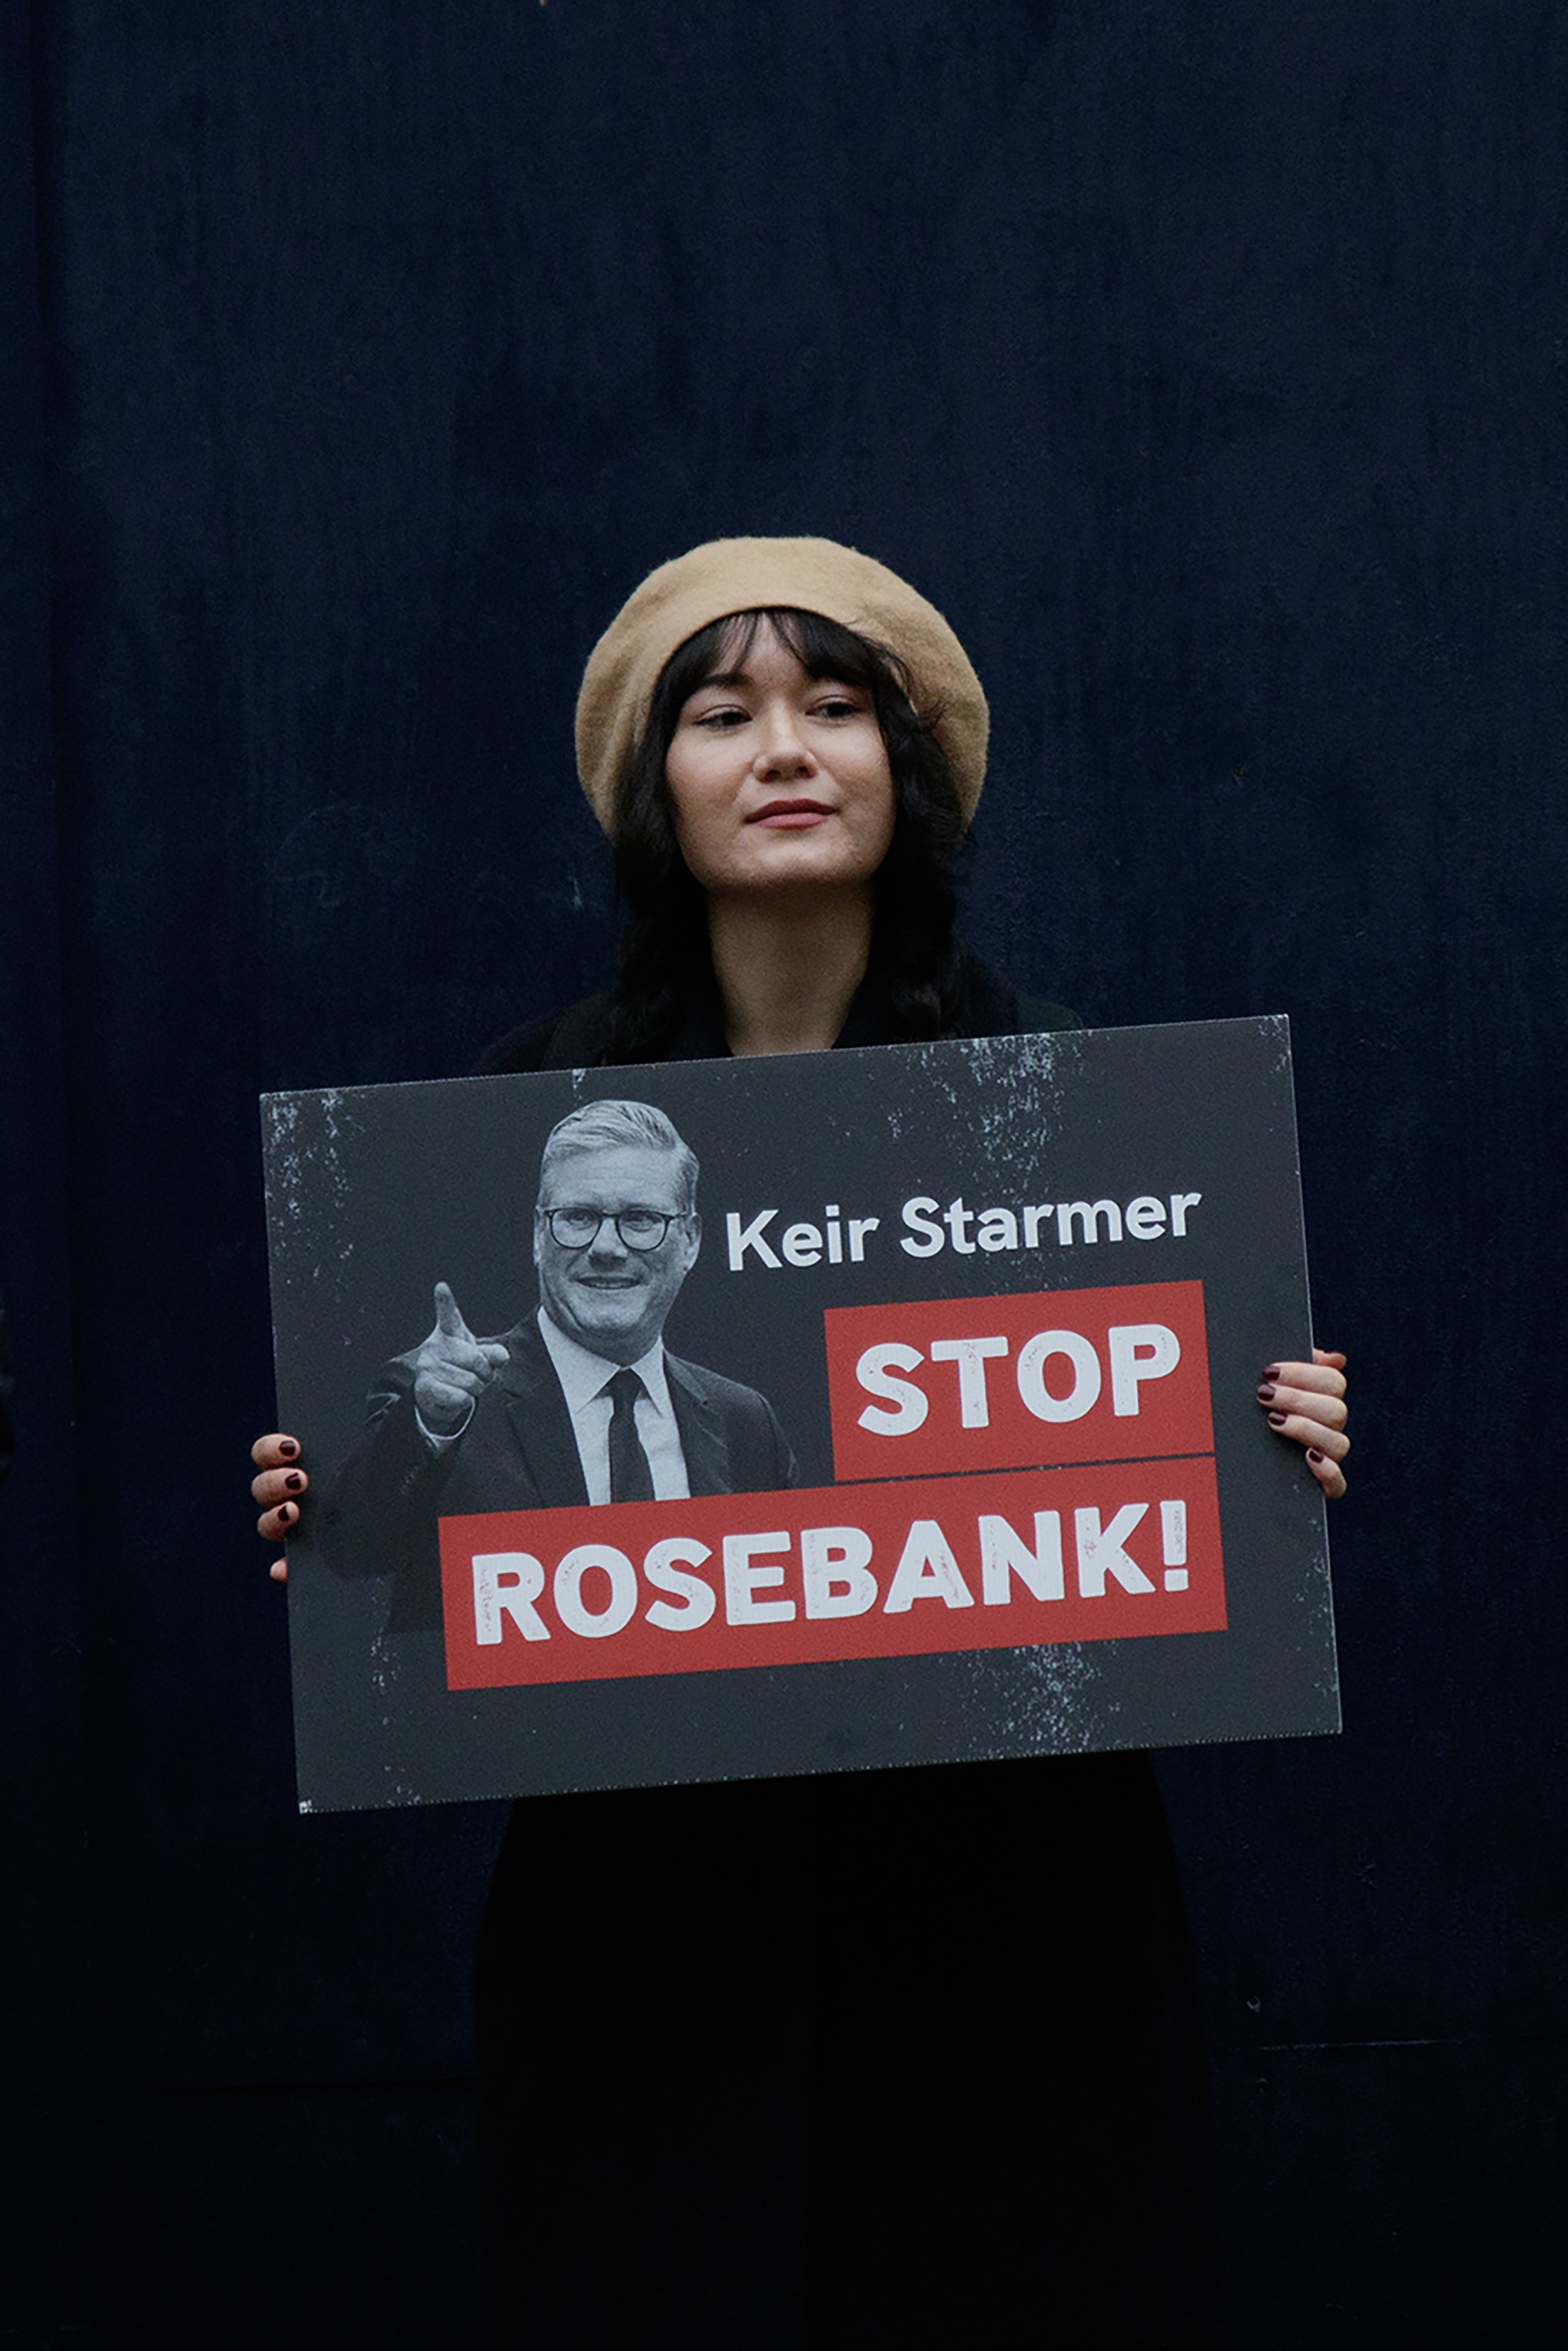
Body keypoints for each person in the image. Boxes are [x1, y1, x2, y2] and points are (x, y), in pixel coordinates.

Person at [252, 536, 1349, 2347]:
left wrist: (1275, 1433)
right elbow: (387, 1566)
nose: (782, 748)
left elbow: (1178, 1498)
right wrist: (341, 1492)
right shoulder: (518, 1105)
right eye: (723, 710)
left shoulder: (1061, 1091)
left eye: (833, 707)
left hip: (1008, 1905)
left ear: (896, 772)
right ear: (651, 787)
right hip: (648, 1928)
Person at [317, 1097, 796, 1628]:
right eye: (578, 1218)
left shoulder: (745, 1421)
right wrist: (429, 1425)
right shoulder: (441, 1398)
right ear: (538, 1238)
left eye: (640, 1219)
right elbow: (350, 1548)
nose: (606, 1247)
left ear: (690, 1241)